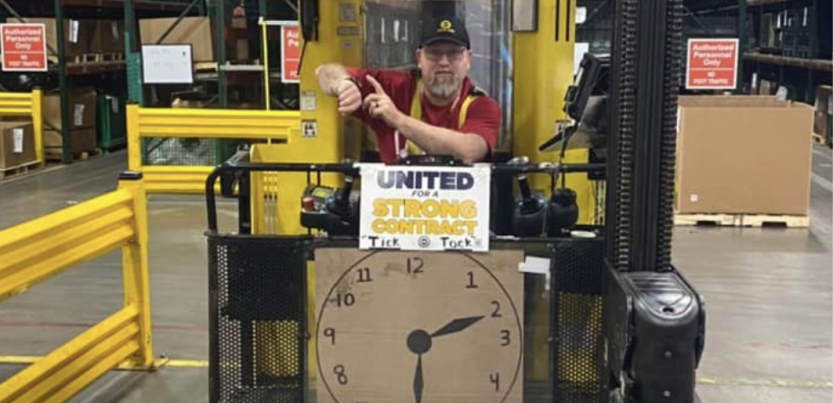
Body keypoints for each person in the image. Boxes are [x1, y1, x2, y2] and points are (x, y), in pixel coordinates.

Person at [314, 16, 501, 165]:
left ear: (468, 59)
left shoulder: (482, 106)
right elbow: (323, 72)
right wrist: (345, 84)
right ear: (419, 58)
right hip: (392, 209)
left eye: (454, 53)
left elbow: (468, 151)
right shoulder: (394, 88)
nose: (444, 62)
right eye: (434, 52)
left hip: (460, 210)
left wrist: (397, 119)